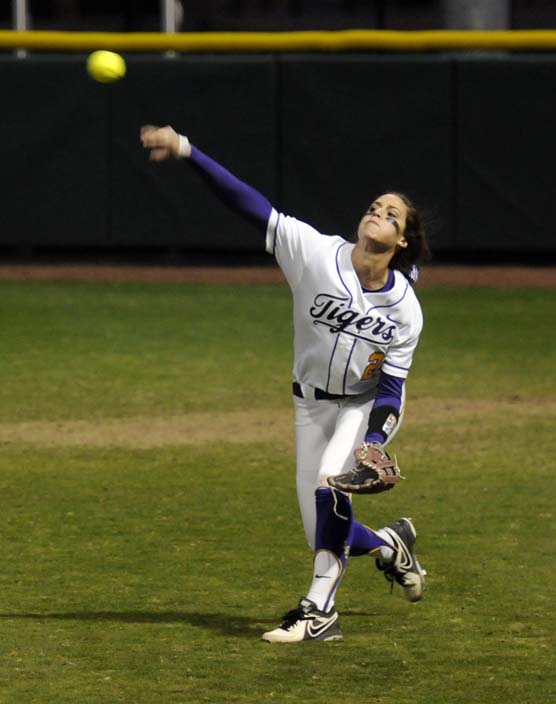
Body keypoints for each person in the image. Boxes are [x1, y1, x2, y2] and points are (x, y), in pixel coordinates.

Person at [140, 125, 429, 643]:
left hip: (363, 408)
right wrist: (187, 150)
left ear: (402, 240)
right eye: (374, 206)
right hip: (310, 404)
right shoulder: (315, 254)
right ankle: (390, 546)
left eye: (392, 215)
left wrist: (375, 443)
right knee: (323, 530)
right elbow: (249, 205)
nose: (378, 213)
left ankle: (317, 614)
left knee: (327, 485)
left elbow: (390, 388)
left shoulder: (406, 310)